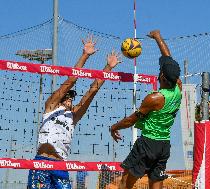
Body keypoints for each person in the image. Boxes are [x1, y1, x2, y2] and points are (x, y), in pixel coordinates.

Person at [27, 35, 122, 189]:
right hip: (42, 163)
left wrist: (108, 68)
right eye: (68, 95)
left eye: (72, 96)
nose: (70, 97)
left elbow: (92, 91)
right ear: (61, 96)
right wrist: (85, 55)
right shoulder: (51, 105)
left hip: (60, 165)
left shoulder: (74, 115)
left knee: (91, 94)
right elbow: (70, 80)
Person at [110, 30, 182, 189]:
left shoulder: (154, 99)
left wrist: (113, 127)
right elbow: (168, 58)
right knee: (155, 185)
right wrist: (158, 37)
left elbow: (130, 120)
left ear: (162, 76)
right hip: (164, 145)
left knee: (125, 184)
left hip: (147, 144)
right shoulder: (178, 87)